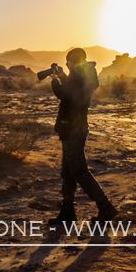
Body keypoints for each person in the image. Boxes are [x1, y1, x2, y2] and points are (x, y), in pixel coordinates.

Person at [47, 47, 118, 225]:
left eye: (68, 61)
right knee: (68, 172)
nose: (66, 63)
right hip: (72, 127)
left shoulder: (78, 74)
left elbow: (65, 95)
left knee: (78, 170)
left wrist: (55, 80)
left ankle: (105, 207)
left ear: (74, 61)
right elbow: (72, 92)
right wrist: (63, 76)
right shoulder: (82, 75)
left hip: (73, 128)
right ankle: (67, 212)